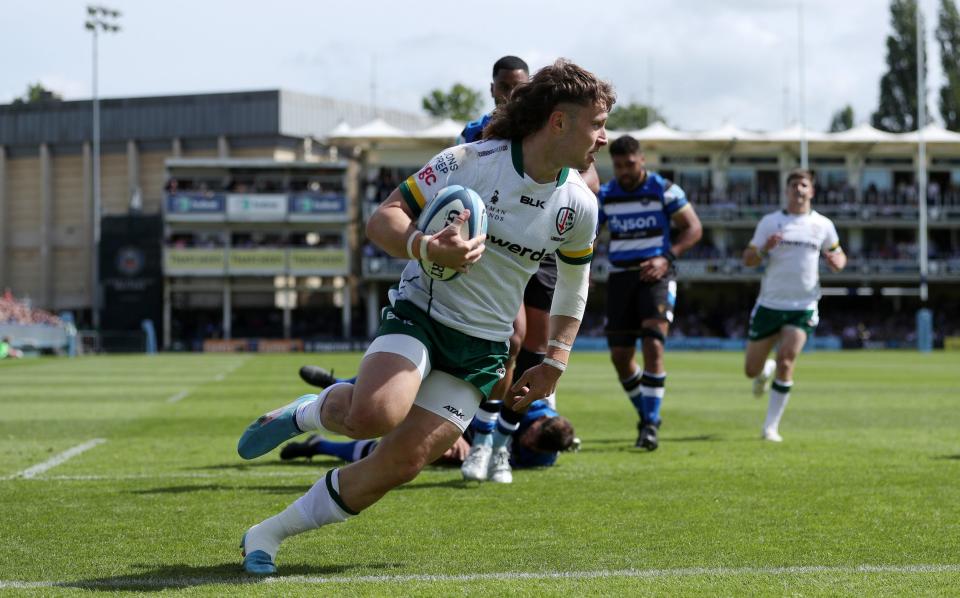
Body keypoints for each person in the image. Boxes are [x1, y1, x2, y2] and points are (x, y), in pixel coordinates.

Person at [235, 59, 614, 574]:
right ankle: (305, 412)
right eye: (597, 124)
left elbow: (575, 285)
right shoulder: (470, 160)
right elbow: (383, 218)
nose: (605, 138)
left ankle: (268, 533)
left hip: (481, 347)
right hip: (423, 313)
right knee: (374, 416)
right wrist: (425, 247)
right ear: (560, 122)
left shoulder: (580, 205)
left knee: (404, 463)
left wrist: (556, 359)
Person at [457, 56, 600, 484]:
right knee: (512, 340)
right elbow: (463, 179)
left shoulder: (553, 130)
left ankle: (501, 443)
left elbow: (589, 179)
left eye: (520, 85)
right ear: (493, 87)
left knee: (535, 350)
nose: (511, 93)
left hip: (546, 245)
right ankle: (482, 440)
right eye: (505, 85)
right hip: (498, 249)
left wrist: (562, 186)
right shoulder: (477, 131)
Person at [596, 135, 702, 451]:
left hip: (657, 275)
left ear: (642, 160)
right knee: (620, 357)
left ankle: (650, 425)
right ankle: (647, 414)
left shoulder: (664, 189)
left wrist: (665, 257)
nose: (624, 171)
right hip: (619, 278)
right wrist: (583, 269)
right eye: (618, 166)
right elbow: (588, 236)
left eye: (630, 164)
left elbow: (693, 228)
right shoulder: (606, 194)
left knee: (653, 345)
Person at [291, 366, 578, 473]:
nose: (527, 442)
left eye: (533, 445)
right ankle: (337, 383)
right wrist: (479, 436)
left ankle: (318, 446)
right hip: (473, 413)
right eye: (531, 437)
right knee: (411, 390)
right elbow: (488, 396)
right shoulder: (530, 404)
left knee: (401, 452)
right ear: (541, 422)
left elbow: (498, 463)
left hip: (469, 442)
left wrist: (465, 453)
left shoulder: (542, 457)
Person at [743, 168, 846, 442]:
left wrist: (837, 262)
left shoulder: (823, 225)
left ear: (811, 191)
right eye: (794, 185)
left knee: (787, 361)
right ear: (786, 191)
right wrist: (764, 248)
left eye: (804, 185)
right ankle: (765, 371)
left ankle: (770, 428)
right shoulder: (770, 222)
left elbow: (839, 255)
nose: (799, 190)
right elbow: (748, 258)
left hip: (804, 304)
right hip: (769, 304)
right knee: (751, 370)